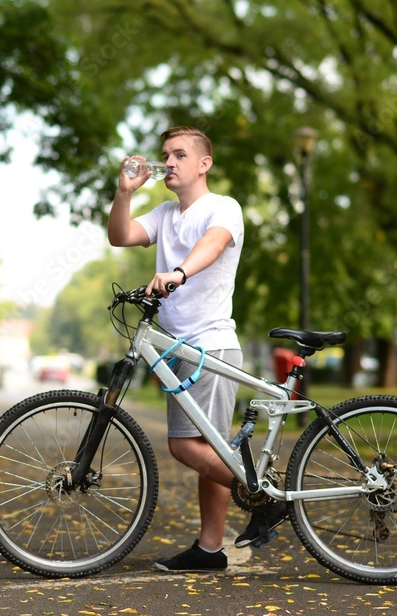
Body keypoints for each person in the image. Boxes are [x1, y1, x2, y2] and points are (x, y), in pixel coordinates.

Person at [108, 126, 286, 572]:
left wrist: (178, 273)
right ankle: (210, 550)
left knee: (185, 447)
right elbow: (120, 235)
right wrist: (124, 192)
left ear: (203, 163)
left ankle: (266, 500)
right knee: (214, 449)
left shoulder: (222, 207)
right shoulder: (166, 213)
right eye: (165, 154)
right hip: (180, 347)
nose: (168, 162)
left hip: (209, 345)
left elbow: (213, 244)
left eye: (179, 154)